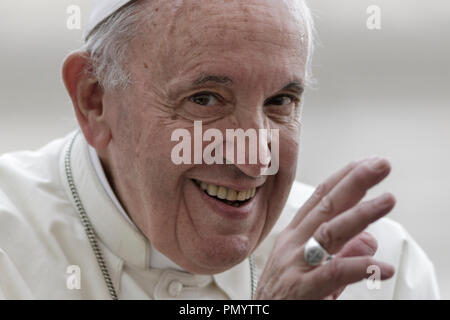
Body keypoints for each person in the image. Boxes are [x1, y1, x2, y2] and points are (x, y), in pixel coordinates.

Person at [0, 0, 439, 299]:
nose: (254, 161)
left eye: (280, 102)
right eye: (205, 99)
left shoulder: (378, 265)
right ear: (94, 100)